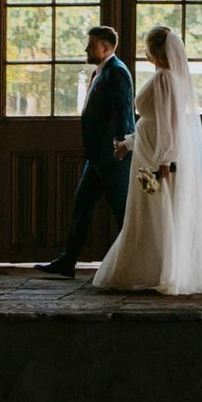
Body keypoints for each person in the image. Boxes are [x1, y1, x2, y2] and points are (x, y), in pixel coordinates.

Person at [93, 26, 202, 296]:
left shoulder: (165, 79)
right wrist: (129, 143)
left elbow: (170, 122)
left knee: (154, 210)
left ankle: (156, 268)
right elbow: (152, 121)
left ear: (155, 50)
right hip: (148, 150)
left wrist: (164, 160)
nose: (144, 51)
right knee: (147, 211)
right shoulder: (166, 77)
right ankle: (153, 267)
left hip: (156, 157)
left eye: (146, 46)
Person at [37, 25, 132, 276]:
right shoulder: (100, 72)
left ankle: (132, 263)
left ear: (106, 48)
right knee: (82, 206)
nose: (86, 49)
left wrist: (122, 145)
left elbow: (124, 112)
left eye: (91, 45)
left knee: (122, 210)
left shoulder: (117, 72)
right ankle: (68, 262)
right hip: (96, 157)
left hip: (112, 156)